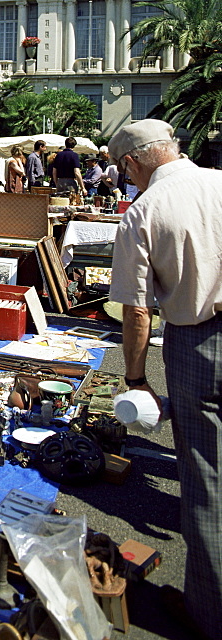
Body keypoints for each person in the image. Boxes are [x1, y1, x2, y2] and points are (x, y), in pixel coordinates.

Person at [108, 119, 222, 640]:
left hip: (198, 342)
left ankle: (209, 614)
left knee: (206, 481)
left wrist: (136, 378)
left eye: (122, 169)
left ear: (132, 163)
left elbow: (136, 313)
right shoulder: (220, 181)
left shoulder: (145, 211)